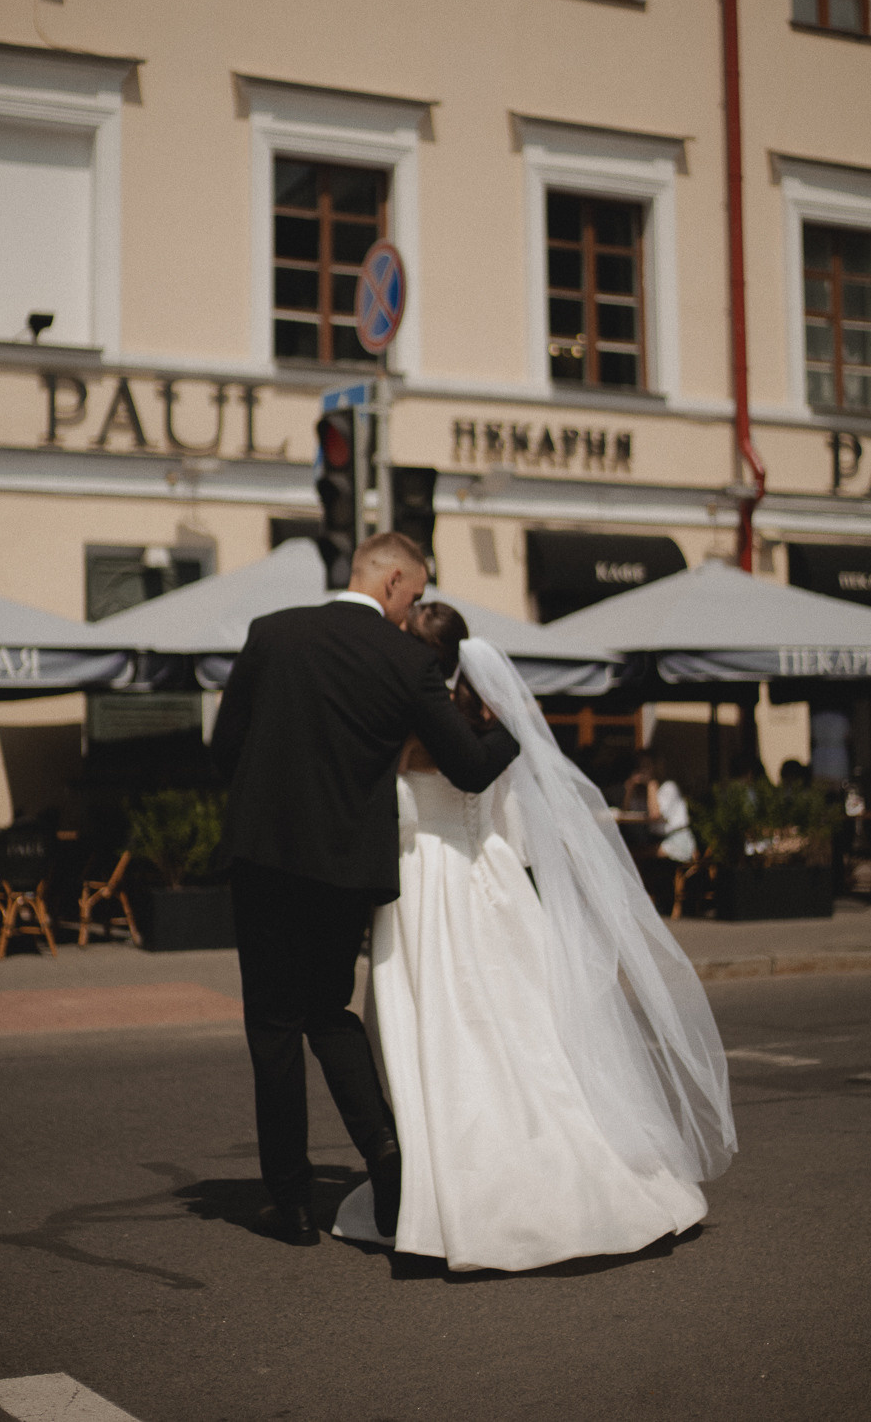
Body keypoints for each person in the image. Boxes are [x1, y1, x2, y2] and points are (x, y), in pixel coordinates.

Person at [334, 611, 736, 1272]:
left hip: (426, 883)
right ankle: (574, 1166)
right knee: (526, 1032)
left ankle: (460, 1189)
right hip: (490, 872)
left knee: (441, 1031)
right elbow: (511, 823)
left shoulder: (402, 724)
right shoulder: (487, 726)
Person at [210, 534, 520, 1248]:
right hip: (345, 867)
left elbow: (225, 747)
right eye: (413, 596)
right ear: (391, 580)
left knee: (273, 1028)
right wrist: (521, 730)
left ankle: (288, 1203)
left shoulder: (272, 633)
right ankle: (382, 1147)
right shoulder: (409, 662)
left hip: (265, 856)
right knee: (328, 1012)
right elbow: (471, 769)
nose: (413, 612)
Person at [623, 751, 697, 865]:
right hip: (654, 839)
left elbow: (655, 815)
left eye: (646, 766)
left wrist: (651, 784)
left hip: (676, 840)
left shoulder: (669, 788)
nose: (643, 771)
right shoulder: (643, 793)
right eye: (640, 767)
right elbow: (626, 812)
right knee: (629, 852)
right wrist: (630, 788)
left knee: (633, 855)